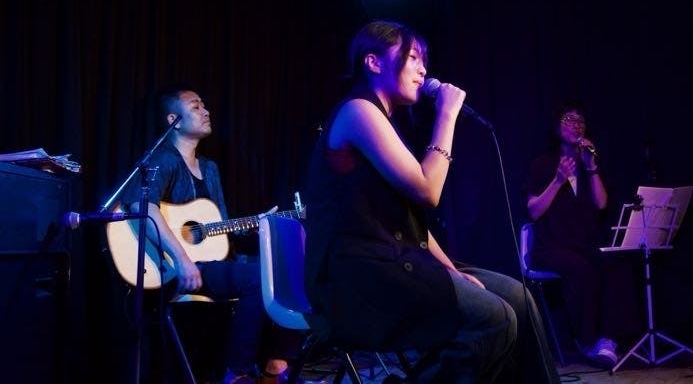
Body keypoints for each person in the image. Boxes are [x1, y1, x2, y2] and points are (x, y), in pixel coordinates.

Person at [301, 20, 559, 383]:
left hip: (397, 263)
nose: (423, 69)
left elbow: (411, 222)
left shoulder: (384, 123)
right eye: (412, 57)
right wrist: (447, 114)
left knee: (519, 298)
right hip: (357, 278)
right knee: (494, 317)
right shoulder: (358, 111)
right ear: (373, 62)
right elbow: (428, 189)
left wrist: (451, 271)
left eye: (424, 60)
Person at [121, 88, 305, 384]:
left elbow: (218, 227)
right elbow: (141, 207)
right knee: (258, 278)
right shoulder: (163, 158)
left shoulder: (209, 168)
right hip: (170, 268)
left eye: (204, 105)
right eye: (196, 106)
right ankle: (238, 372)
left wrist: (252, 224)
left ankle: (276, 366)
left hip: (210, 263)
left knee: (287, 271)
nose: (206, 111)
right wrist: (182, 260)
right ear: (173, 120)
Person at [522, 103, 642, 368]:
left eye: (581, 121)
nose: (576, 126)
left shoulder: (589, 164)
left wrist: (591, 168)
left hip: (584, 244)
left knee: (616, 265)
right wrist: (558, 181)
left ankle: (609, 339)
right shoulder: (542, 165)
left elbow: (601, 204)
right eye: (569, 120)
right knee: (582, 270)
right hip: (550, 247)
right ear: (556, 127)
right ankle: (586, 340)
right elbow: (534, 211)